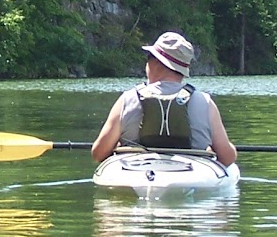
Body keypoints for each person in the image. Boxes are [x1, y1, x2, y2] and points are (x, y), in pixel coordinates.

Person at [91, 31, 237, 166]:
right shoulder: (205, 102)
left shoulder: (128, 99)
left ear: (155, 63)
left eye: (148, 58)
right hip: (191, 174)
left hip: (137, 173)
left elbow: (98, 153)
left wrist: (118, 147)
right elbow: (227, 158)